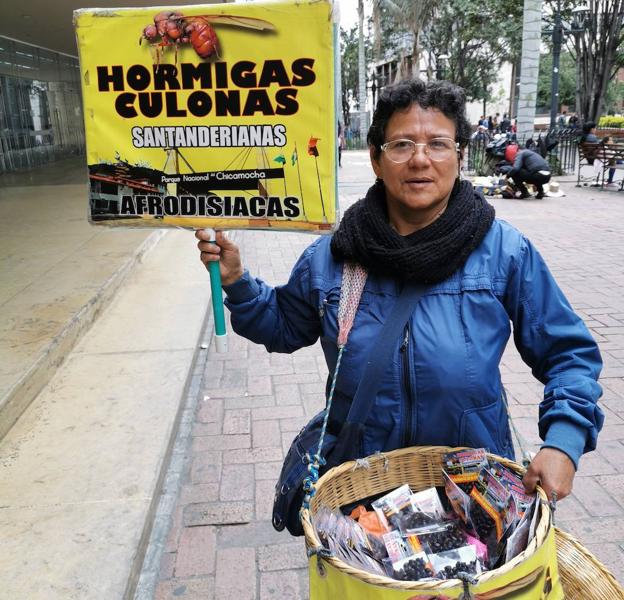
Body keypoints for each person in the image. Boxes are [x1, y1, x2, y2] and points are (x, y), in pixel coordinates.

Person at [196, 78, 603, 508]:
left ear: (460, 156)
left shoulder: (503, 252)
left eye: (438, 144)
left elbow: (568, 353)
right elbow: (282, 327)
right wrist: (236, 281)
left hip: (473, 495)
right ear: (376, 158)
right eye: (402, 144)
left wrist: (563, 439)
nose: (420, 159)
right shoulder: (334, 257)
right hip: (363, 499)